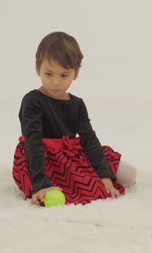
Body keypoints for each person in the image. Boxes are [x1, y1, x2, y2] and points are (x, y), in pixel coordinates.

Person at [12, 32, 137, 206]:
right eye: (49, 74)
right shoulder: (32, 101)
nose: (55, 82)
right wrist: (41, 182)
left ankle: (95, 177)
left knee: (129, 174)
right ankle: (45, 186)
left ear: (75, 73)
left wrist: (104, 175)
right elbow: (33, 142)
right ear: (37, 69)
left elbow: (90, 140)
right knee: (63, 189)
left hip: (70, 155)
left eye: (64, 75)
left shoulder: (77, 104)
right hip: (41, 158)